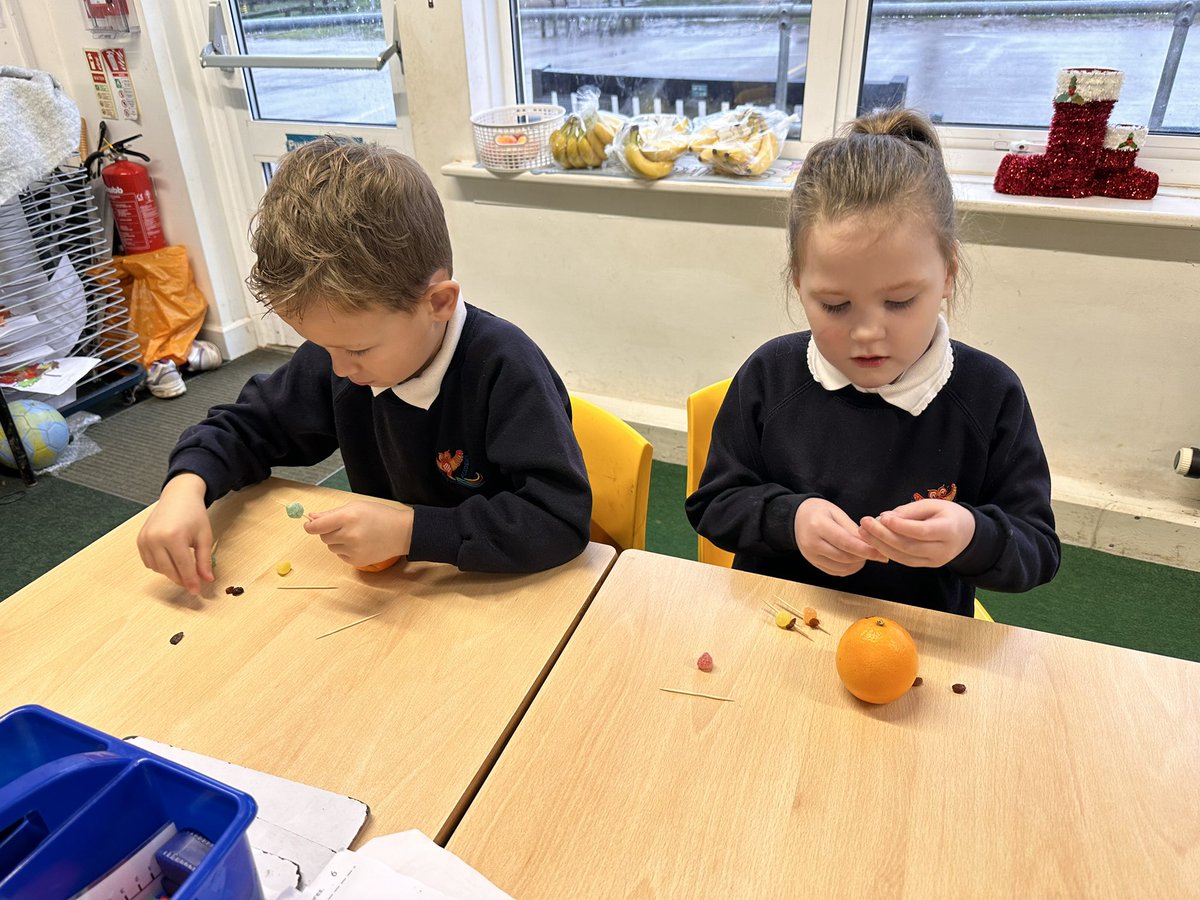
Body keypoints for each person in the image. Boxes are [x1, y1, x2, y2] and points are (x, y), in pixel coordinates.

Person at [138, 137, 591, 592]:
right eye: (320, 345)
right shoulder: (341, 351)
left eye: (357, 351)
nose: (336, 370)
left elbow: (558, 521)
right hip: (405, 593)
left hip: (505, 591)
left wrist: (408, 531)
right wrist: (186, 487)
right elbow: (245, 428)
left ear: (438, 303)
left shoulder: (504, 368)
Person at [686, 109, 1060, 616]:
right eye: (835, 305)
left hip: (918, 643)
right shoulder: (770, 377)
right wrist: (789, 519)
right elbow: (713, 504)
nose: (867, 333)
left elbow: (1038, 548)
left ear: (948, 273)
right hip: (781, 623)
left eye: (901, 301)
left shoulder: (989, 395)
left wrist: (973, 536)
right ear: (799, 281)